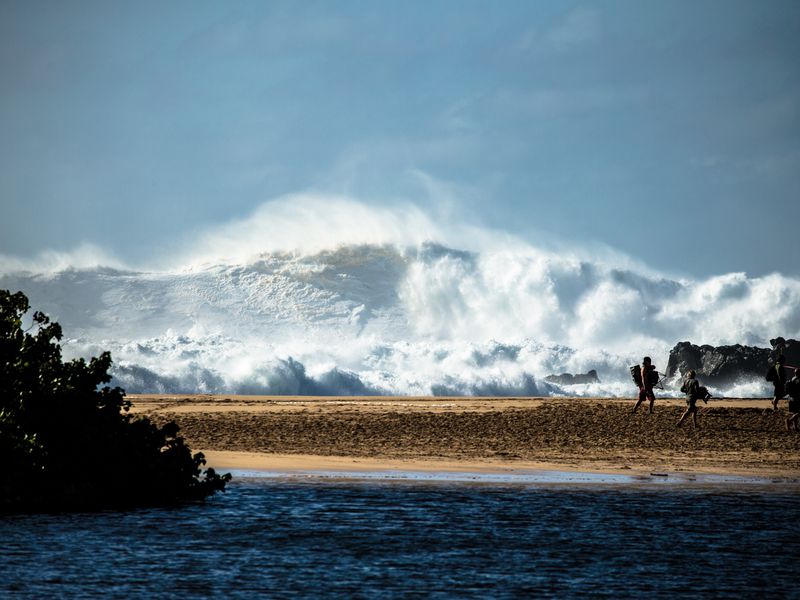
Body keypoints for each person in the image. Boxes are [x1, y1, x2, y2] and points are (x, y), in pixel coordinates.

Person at [786, 368, 800, 432]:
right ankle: (789, 421)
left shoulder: (792, 378)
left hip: (791, 398)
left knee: (795, 412)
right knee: (798, 413)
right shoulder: (798, 380)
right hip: (796, 398)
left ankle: (795, 427)